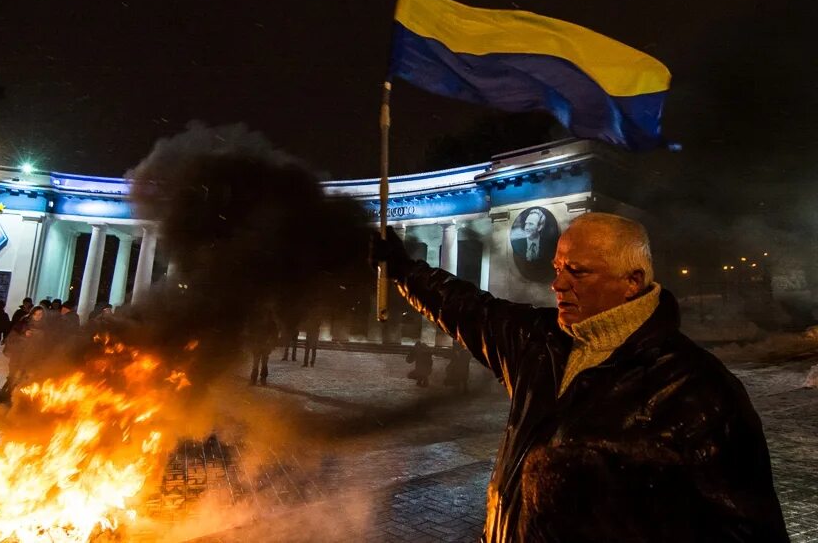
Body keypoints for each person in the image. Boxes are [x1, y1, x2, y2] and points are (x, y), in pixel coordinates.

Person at [370, 213, 788, 542]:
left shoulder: (699, 389)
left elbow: (746, 528)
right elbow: (469, 309)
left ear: (632, 282)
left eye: (578, 272)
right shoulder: (540, 342)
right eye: (556, 268)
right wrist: (405, 270)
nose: (557, 284)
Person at [247, 310, 278, 385]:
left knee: (260, 362)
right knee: (258, 362)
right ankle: (258, 378)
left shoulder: (268, 323)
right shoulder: (267, 323)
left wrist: (271, 343)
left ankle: (258, 378)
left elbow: (274, 335)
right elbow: (274, 335)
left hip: (263, 345)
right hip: (259, 345)